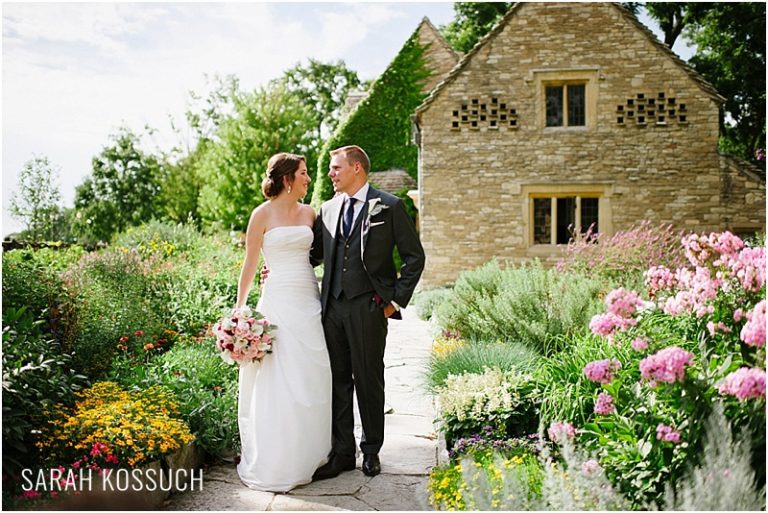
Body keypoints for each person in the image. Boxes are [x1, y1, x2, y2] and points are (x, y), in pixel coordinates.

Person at [309, 145, 425, 479]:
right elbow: (314, 254)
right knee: (338, 382)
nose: (331, 174)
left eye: (336, 168)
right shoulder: (327, 210)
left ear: (356, 168)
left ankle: (371, 450)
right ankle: (343, 452)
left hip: (369, 306)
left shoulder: (389, 206)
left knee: (369, 380)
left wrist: (394, 301)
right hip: (332, 308)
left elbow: (414, 257)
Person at [234, 153, 332, 492]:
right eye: (304, 174)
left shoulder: (310, 213)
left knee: (311, 371)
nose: (309, 179)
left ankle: (313, 452)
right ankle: (278, 456)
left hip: (307, 295)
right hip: (276, 298)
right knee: (277, 376)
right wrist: (240, 309)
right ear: (288, 178)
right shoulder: (260, 215)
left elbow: (322, 256)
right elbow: (249, 264)